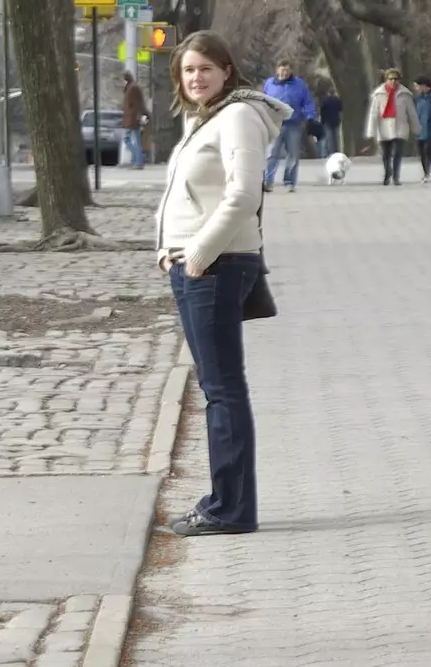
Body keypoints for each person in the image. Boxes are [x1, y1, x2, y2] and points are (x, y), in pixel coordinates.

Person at [156, 30, 289, 536]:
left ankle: (229, 510)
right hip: (194, 263)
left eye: (205, 69)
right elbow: (181, 194)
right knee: (218, 388)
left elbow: (242, 194)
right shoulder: (202, 119)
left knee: (222, 389)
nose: (196, 78)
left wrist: (197, 254)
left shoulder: (236, 118)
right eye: (188, 70)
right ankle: (223, 501)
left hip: (217, 264)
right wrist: (164, 249)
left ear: (227, 70)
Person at [261, 59, 315, 192]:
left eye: (287, 70)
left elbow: (307, 101)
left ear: (291, 71)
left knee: (293, 154)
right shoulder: (269, 84)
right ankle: (268, 181)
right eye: (282, 69)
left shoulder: (298, 84)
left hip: (293, 124)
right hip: (274, 123)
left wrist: (310, 117)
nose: (285, 72)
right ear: (277, 70)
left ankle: (289, 181)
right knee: (272, 153)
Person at [363, 68, 419, 186]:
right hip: (384, 128)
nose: (393, 81)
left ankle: (396, 176)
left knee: (398, 153)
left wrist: (416, 127)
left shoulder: (405, 94)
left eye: (396, 79)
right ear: (386, 80)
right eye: (391, 79)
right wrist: (370, 130)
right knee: (386, 154)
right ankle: (387, 173)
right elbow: (373, 113)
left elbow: (411, 112)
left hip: (400, 127)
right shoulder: (378, 94)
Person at [120, 72, 147, 169]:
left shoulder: (132, 88)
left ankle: (138, 160)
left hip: (132, 118)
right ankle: (138, 160)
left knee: (128, 139)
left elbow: (136, 104)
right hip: (132, 118)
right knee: (136, 141)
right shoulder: (131, 87)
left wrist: (138, 116)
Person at [318, 85, 343, 158]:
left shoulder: (325, 100)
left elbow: (321, 111)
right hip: (336, 120)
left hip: (327, 121)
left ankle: (330, 153)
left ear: (328, 93)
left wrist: (321, 120)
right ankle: (337, 152)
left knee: (329, 138)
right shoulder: (337, 100)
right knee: (336, 138)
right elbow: (340, 111)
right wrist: (340, 119)